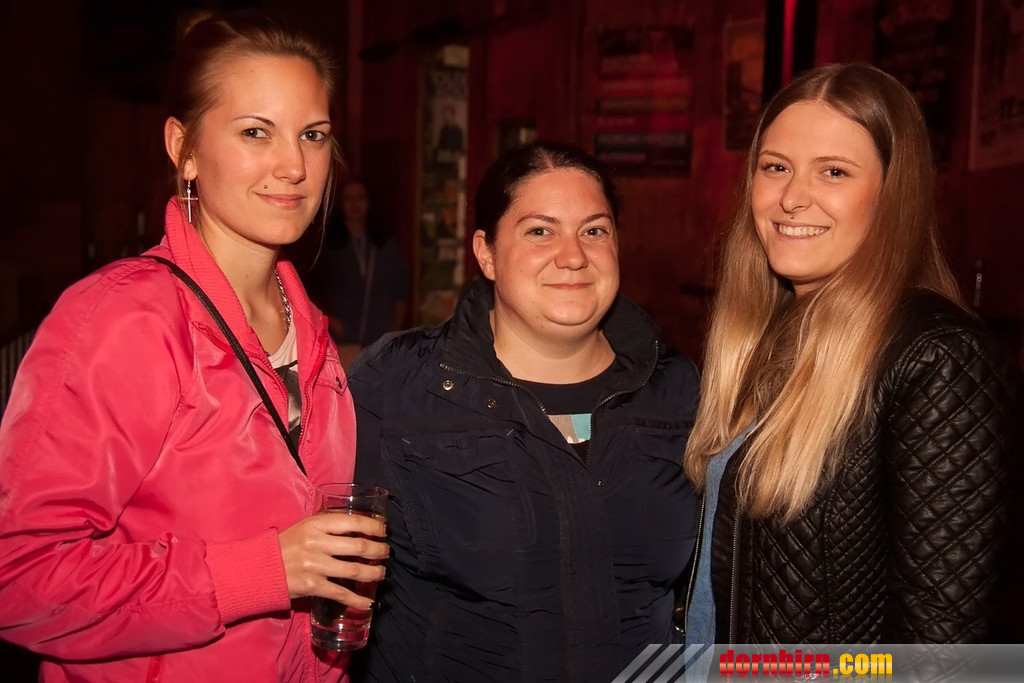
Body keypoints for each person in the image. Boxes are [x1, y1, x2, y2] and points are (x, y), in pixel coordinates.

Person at [0, 10, 387, 681]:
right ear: (183, 147)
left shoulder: (312, 336)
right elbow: (18, 577)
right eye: (255, 131)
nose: (294, 165)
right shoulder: (122, 320)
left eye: (313, 134)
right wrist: (265, 570)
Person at [682, 62, 1022, 648]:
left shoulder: (939, 360)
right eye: (776, 167)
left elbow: (940, 657)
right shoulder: (769, 337)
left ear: (891, 194)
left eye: (833, 171)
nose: (792, 198)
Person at [348, 142, 701, 681]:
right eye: (540, 231)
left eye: (594, 230)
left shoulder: (680, 390)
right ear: (486, 253)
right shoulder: (398, 383)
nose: (573, 256)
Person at [311, 178, 409, 353]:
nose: (355, 204)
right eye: (348, 199)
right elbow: (309, 290)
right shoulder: (327, 246)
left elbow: (400, 291)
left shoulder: (385, 245)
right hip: (338, 340)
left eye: (360, 198)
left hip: (379, 340)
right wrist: (333, 323)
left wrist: (393, 331)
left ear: (369, 202)